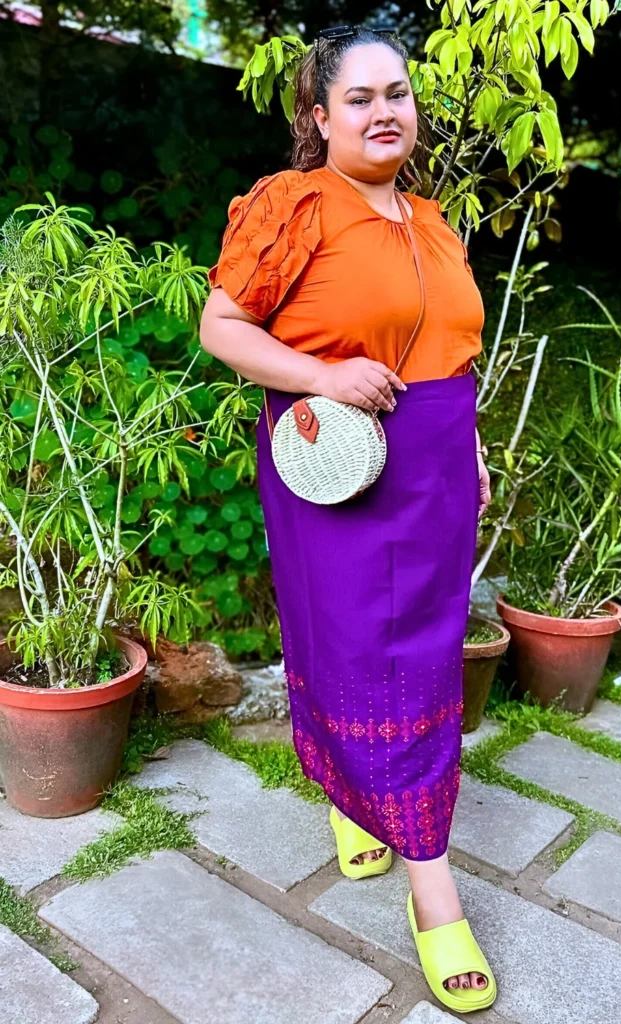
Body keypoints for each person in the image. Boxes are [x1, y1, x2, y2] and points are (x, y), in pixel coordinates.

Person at [200, 24, 495, 1014]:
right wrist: (321, 374)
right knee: (353, 644)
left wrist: (470, 448)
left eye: (396, 93)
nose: (383, 112)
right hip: (337, 462)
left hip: (435, 466)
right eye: (359, 98)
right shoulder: (295, 205)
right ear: (319, 116)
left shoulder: (434, 221)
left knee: (425, 652)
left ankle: (355, 792)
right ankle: (432, 886)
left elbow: (449, 350)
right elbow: (222, 326)